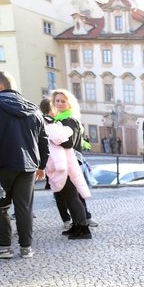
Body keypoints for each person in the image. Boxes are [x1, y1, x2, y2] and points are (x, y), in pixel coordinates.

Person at [0, 71, 48, 260]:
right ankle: (26, 248)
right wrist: (42, 165)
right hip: (28, 166)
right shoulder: (33, 108)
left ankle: (5, 247)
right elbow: (43, 140)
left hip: (0, 165)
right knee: (24, 207)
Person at [46, 89, 92, 240]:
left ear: (69, 103)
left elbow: (68, 142)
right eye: (57, 101)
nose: (59, 103)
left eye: (63, 101)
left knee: (72, 196)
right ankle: (77, 225)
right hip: (67, 161)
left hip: (69, 162)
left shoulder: (68, 120)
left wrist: (53, 135)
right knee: (68, 196)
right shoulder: (63, 118)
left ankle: (83, 228)